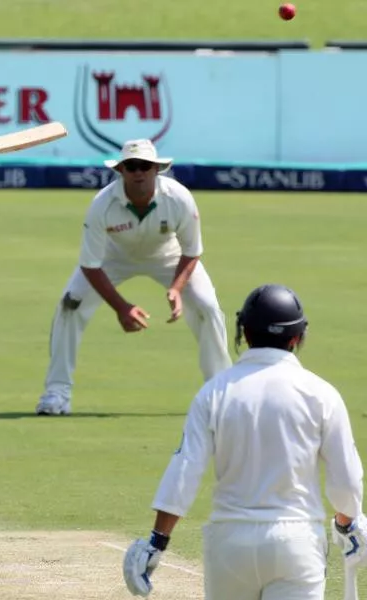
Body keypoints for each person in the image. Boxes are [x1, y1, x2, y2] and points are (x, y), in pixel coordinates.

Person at [122, 284, 365, 599]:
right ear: (297, 337)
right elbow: (345, 479)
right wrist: (348, 525)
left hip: (229, 544)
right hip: (296, 544)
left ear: (245, 333)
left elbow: (185, 469)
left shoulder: (215, 392)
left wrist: (157, 541)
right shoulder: (321, 394)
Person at [35, 139, 231, 415]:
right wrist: (122, 307)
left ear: (156, 169)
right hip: (113, 257)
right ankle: (56, 394)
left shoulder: (179, 198)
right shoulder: (101, 204)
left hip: (169, 255)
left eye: (145, 166)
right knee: (70, 303)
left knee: (207, 306)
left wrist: (176, 288)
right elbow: (90, 265)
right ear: (121, 170)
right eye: (131, 166)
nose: (139, 172)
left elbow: (191, 250)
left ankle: (220, 393)